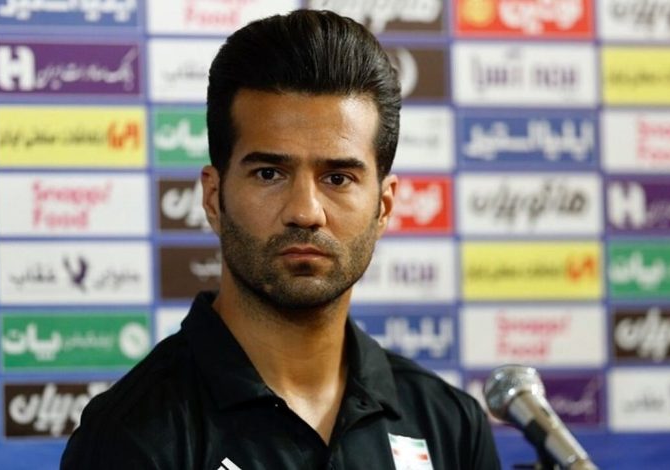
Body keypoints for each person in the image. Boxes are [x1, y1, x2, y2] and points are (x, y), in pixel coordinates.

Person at [61, 9, 500, 470]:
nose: (305, 212)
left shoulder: (450, 425)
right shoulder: (132, 439)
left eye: (337, 178)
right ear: (213, 198)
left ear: (384, 207)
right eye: (269, 174)